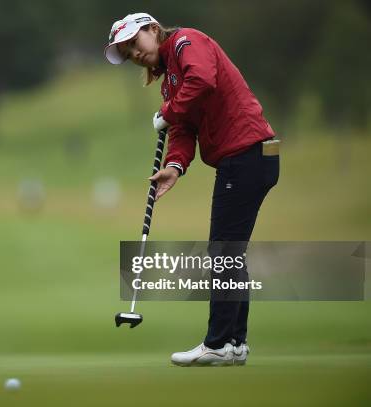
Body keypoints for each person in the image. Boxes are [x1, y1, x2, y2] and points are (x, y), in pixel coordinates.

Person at [105, 13, 279, 366]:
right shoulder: (170, 82)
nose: (134, 55)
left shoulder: (186, 42)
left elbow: (202, 81)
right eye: (127, 54)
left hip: (246, 154)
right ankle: (234, 344)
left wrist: (168, 111)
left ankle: (217, 344)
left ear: (153, 30)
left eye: (134, 44)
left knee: (223, 254)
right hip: (248, 157)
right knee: (229, 254)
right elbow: (182, 130)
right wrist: (174, 166)